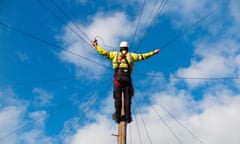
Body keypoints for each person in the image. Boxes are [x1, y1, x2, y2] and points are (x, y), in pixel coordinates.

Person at [92, 40, 160, 123]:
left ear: (120, 48)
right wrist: (153, 52)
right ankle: (128, 117)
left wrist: (96, 46)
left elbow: (104, 53)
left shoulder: (114, 55)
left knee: (118, 99)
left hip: (118, 79)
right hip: (127, 79)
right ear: (127, 48)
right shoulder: (132, 56)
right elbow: (143, 56)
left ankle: (118, 116)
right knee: (127, 99)